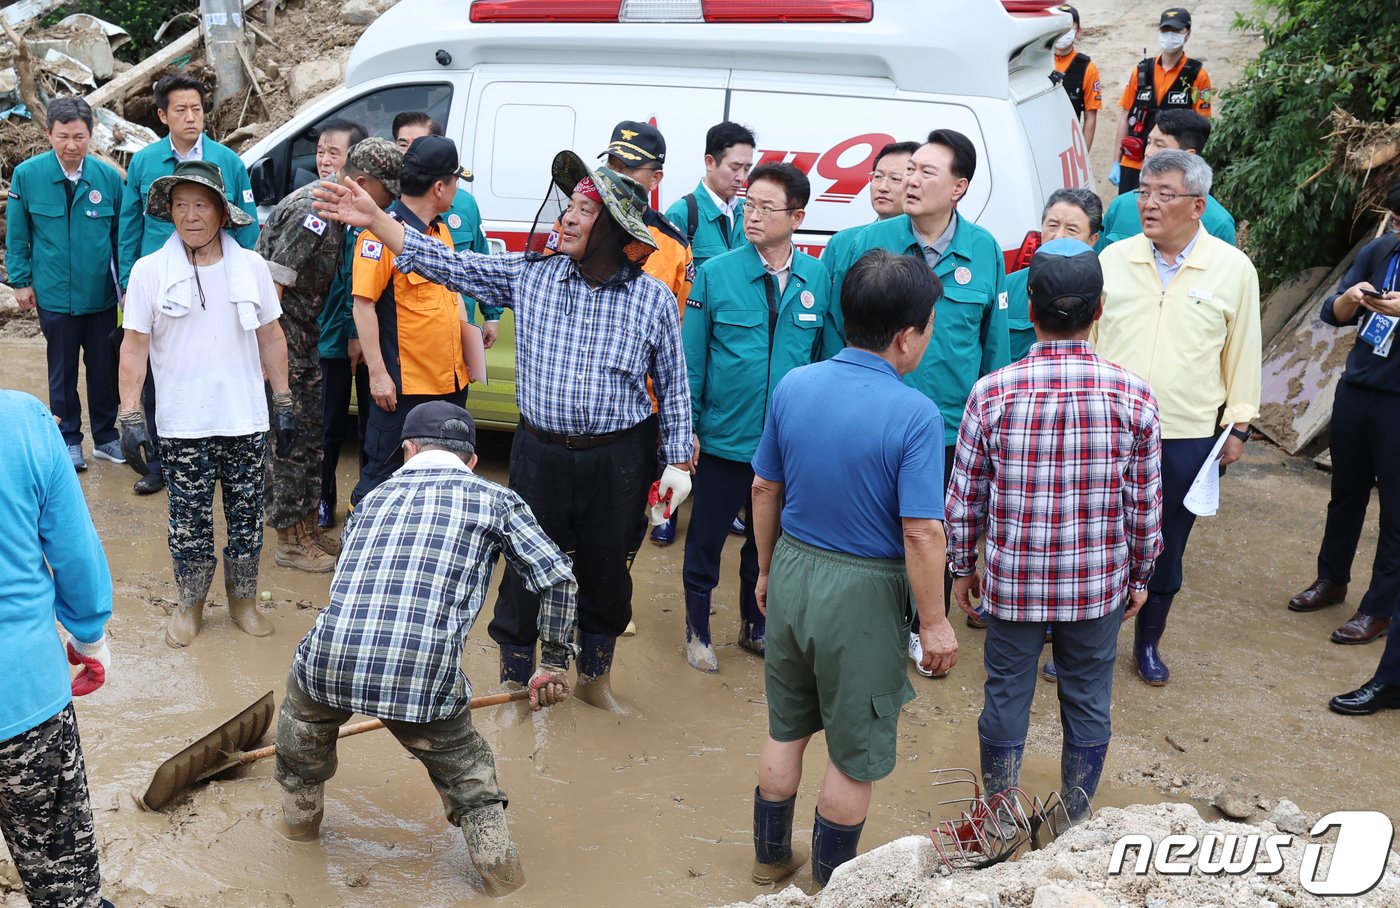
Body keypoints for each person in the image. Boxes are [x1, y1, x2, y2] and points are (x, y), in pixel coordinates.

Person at [314, 149, 693, 712]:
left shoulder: (653, 299)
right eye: (569, 207)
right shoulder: (531, 276)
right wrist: (376, 220)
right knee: (521, 570)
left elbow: (675, 385)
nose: (566, 218)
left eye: (585, 213)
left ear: (615, 230)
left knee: (607, 572)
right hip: (538, 452)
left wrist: (678, 462)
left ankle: (594, 682)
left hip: (618, 458)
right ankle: (516, 684)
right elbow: (445, 264)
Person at [274, 401, 575, 895]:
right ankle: (505, 885)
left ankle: (297, 835)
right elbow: (558, 578)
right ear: (472, 460)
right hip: (422, 677)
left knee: (300, 740)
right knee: (471, 780)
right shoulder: (496, 500)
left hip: (327, 661)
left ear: (407, 451)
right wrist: (554, 663)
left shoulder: (370, 498)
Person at [748, 249, 957, 888]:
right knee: (854, 754)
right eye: (928, 327)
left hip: (792, 569)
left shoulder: (795, 385)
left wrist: (763, 571)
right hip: (864, 592)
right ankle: (828, 888)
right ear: (907, 335)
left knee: (786, 730)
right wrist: (936, 623)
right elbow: (921, 532)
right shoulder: (916, 414)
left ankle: (769, 865)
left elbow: (763, 487)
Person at [946, 238, 1163, 826]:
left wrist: (962, 567)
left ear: (1030, 306)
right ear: (1099, 311)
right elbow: (1144, 506)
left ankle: (996, 814)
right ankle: (1074, 817)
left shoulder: (992, 392)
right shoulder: (1135, 395)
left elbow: (965, 498)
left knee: (1005, 694)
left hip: (1014, 584)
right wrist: (1140, 576)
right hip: (1096, 585)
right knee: (1089, 698)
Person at [826, 128, 1009, 661]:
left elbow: (992, 347)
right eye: (911, 169)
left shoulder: (984, 250)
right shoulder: (867, 244)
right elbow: (840, 330)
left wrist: (988, 431)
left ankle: (929, 631)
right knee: (870, 529)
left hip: (949, 428)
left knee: (932, 533)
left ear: (959, 187)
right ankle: (868, 633)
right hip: (870, 421)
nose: (911, 179)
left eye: (928, 172)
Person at [1093, 150, 1260, 685]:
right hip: (1108, 425)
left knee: (1165, 542)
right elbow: (1089, 340)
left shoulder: (1233, 269)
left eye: (1164, 194)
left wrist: (1239, 423)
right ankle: (1082, 642)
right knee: (1096, 535)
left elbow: (1242, 351)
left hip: (1185, 433)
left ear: (1197, 205)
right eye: (1144, 191)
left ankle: (1147, 644)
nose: (1149, 203)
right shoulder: (1113, 259)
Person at [116, 160, 294, 648]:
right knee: (187, 524)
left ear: (221, 211)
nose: (190, 216)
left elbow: (272, 336)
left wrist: (282, 399)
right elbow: (133, 347)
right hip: (182, 424)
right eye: (180, 206)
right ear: (169, 213)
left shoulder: (251, 266)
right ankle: (190, 605)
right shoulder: (150, 271)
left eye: (201, 205)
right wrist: (130, 415)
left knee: (246, 518)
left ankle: (244, 603)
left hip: (244, 420)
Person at [680, 162, 837, 673]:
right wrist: (689, 431)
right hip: (725, 439)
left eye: (767, 208)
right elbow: (693, 361)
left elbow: (827, 361)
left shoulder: (819, 277)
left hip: (787, 445)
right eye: (750, 205)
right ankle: (698, 631)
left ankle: (755, 625)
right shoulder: (717, 273)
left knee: (765, 545)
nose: (753, 216)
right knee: (704, 541)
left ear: (797, 217)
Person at [119, 73, 259, 497]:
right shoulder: (144, 162)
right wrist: (128, 282)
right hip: (160, 287)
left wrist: (243, 275)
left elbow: (247, 225)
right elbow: (129, 225)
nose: (190, 117)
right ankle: (161, 463)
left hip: (216, 281)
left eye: (197, 109)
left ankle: (222, 456)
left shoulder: (228, 161)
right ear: (162, 115)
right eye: (180, 110)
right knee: (160, 370)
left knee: (216, 366)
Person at [0, 390, 115, 908]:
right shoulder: (22, 420)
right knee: (66, 892)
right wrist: (90, 635)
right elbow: (74, 552)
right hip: (22, 698)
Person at [1292, 177, 1400, 657]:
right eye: (1397, 221)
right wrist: (1352, 297)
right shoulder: (1380, 251)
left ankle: (1378, 608)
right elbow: (1332, 315)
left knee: (1395, 511)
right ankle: (1331, 579)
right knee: (1346, 492)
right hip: (1359, 387)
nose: (1398, 228)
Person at [255, 119, 366, 573]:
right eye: (320, 151)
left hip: (305, 339)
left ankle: (307, 530)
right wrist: (269, 356)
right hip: (285, 340)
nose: (324, 160)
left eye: (334, 153)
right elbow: (273, 286)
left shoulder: (335, 208)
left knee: (309, 440)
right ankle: (288, 541)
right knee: (287, 441)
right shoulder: (313, 211)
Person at [350, 135, 477, 505]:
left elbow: (450, 297)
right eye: (454, 181)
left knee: (442, 482)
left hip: (449, 384)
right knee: (381, 480)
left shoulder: (442, 231)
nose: (456, 190)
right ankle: (358, 555)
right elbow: (363, 305)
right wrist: (377, 374)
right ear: (439, 187)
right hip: (404, 392)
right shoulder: (380, 236)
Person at [5, 96, 124, 472]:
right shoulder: (29, 175)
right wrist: (21, 281)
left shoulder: (108, 178)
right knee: (62, 371)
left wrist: (129, 288)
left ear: (91, 136)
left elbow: (122, 237)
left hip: (101, 296)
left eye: (79, 137)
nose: (71, 145)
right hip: (54, 295)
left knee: (104, 370)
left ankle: (106, 437)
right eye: (63, 137)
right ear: (49, 134)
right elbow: (18, 235)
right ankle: (69, 439)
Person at [597, 119, 697, 548]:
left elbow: (674, 341)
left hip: (636, 410)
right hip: (576, 403)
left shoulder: (672, 247)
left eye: (630, 167)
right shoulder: (579, 222)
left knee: (625, 516)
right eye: (613, 163)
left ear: (655, 178)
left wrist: (672, 429)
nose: (618, 175)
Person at [317, 139, 403, 529]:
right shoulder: (320, 206)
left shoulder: (381, 218)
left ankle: (369, 506)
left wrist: (361, 337)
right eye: (389, 189)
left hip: (373, 344)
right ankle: (322, 500)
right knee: (327, 425)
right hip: (331, 339)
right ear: (366, 183)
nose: (394, 198)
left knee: (373, 428)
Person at [392, 112, 501, 346]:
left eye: (419, 144)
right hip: (411, 341)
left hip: (459, 330)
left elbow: (481, 258)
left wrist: (491, 316)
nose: (410, 153)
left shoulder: (463, 203)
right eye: (403, 144)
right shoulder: (388, 211)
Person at [1097, 109, 1236, 251]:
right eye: (1149, 142)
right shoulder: (1121, 206)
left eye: (1160, 145)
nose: (1148, 152)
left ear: (1189, 156)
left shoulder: (1218, 222)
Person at [1109, 8, 1212, 195]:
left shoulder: (1197, 75)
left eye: (1176, 31)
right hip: (1133, 161)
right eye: (1165, 30)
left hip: (1172, 167)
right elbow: (1125, 116)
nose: (1169, 36)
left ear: (1187, 33)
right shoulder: (1141, 71)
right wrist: (1116, 160)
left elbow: (1201, 127)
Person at [1006, 188, 1103, 361]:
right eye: (1052, 225)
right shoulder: (1007, 288)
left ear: (1092, 240)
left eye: (1072, 230)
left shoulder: (1104, 290)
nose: (1058, 236)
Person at [665, 121, 755, 266]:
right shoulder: (681, 214)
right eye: (735, 167)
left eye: (746, 169)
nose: (741, 178)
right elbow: (667, 282)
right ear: (710, 162)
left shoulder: (749, 212)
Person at [820, 141, 919, 271]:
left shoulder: (928, 243)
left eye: (896, 179)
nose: (882, 187)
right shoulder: (843, 242)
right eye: (877, 176)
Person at [1050, 5, 1102, 151]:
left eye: (1069, 27)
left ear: (1078, 32)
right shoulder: (1036, 61)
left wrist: (1082, 157)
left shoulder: (1087, 68)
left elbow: (1090, 117)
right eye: (1060, 28)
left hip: (1068, 144)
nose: (1063, 33)